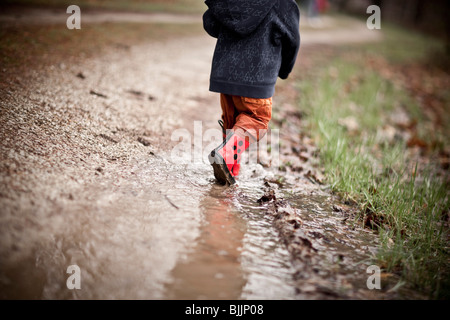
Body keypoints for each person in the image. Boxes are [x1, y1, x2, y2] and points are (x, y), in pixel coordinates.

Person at [203, 0, 300, 185]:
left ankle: (230, 170)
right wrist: (285, 69)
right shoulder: (283, 3)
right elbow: (292, 40)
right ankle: (225, 156)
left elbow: (211, 24)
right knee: (256, 121)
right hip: (258, 78)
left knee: (233, 125)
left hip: (225, 74)